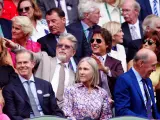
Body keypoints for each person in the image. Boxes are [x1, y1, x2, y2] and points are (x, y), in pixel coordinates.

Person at [2, 49, 64, 120]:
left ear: (33, 64)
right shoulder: (9, 89)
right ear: (15, 65)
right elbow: (12, 115)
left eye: (25, 62)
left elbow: (55, 110)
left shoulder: (46, 85)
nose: (22, 65)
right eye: (19, 63)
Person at [114, 48, 160, 119]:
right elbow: (122, 111)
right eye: (153, 65)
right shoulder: (124, 80)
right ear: (141, 63)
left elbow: (153, 110)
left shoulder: (148, 80)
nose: (154, 69)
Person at [91, 28, 124, 98]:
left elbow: (122, 79)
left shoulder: (116, 63)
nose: (94, 43)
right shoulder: (85, 61)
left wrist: (106, 70)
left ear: (107, 45)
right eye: (92, 40)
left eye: (98, 41)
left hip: (112, 102)